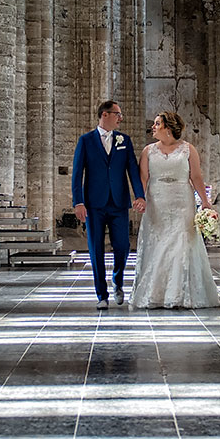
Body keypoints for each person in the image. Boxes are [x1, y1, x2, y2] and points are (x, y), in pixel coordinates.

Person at [131, 111, 220, 309]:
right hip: (157, 200)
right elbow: (143, 178)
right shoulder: (148, 151)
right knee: (158, 244)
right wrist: (140, 198)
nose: (153, 127)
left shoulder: (188, 149)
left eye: (157, 124)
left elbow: (197, 177)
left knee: (182, 243)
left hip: (182, 200)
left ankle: (180, 292)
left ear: (168, 127)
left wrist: (206, 202)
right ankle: (156, 293)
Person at [72, 100, 146, 310]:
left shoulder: (125, 140)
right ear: (105, 115)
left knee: (122, 247)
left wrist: (139, 195)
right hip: (94, 204)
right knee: (96, 249)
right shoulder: (86, 141)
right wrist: (78, 202)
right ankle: (101, 295)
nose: (120, 118)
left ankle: (118, 279)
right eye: (117, 114)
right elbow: (77, 173)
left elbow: (132, 169)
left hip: (118, 202)